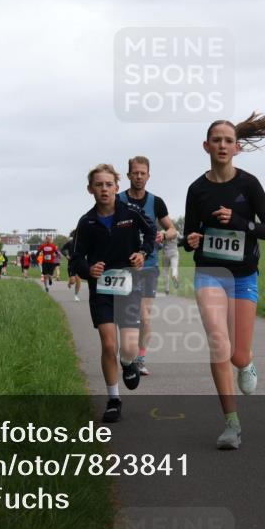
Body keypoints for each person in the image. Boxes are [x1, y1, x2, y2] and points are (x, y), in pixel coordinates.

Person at [183, 112, 265, 450]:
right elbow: (189, 234)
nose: (222, 145)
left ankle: (247, 362)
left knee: (237, 355)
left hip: (243, 276)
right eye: (216, 140)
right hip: (209, 272)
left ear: (237, 148)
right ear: (206, 145)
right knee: (218, 344)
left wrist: (240, 221)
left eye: (228, 140)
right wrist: (190, 240)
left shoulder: (248, 184)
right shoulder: (197, 189)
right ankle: (231, 424)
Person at [71, 164, 155, 422]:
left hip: (129, 287)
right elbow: (75, 259)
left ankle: (129, 363)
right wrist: (88, 270)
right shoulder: (86, 222)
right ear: (90, 189)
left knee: (128, 347)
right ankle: (113, 399)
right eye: (99, 185)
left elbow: (151, 232)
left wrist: (142, 253)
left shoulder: (131, 212)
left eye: (109, 184)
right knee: (109, 344)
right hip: (102, 291)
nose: (104, 189)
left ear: (117, 188)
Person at [119, 156, 177, 376]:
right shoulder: (119, 200)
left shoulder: (156, 202)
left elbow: (172, 230)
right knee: (125, 315)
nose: (139, 176)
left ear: (148, 176)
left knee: (144, 316)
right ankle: (127, 351)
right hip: (123, 267)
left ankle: (140, 358)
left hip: (149, 265)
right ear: (128, 175)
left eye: (143, 173)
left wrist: (164, 233)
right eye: (135, 173)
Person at [61, 230, 81, 301]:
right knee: (73, 281)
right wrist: (66, 255)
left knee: (78, 280)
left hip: (79, 263)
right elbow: (62, 249)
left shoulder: (82, 242)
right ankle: (70, 282)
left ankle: (76, 295)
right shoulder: (70, 243)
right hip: (71, 263)